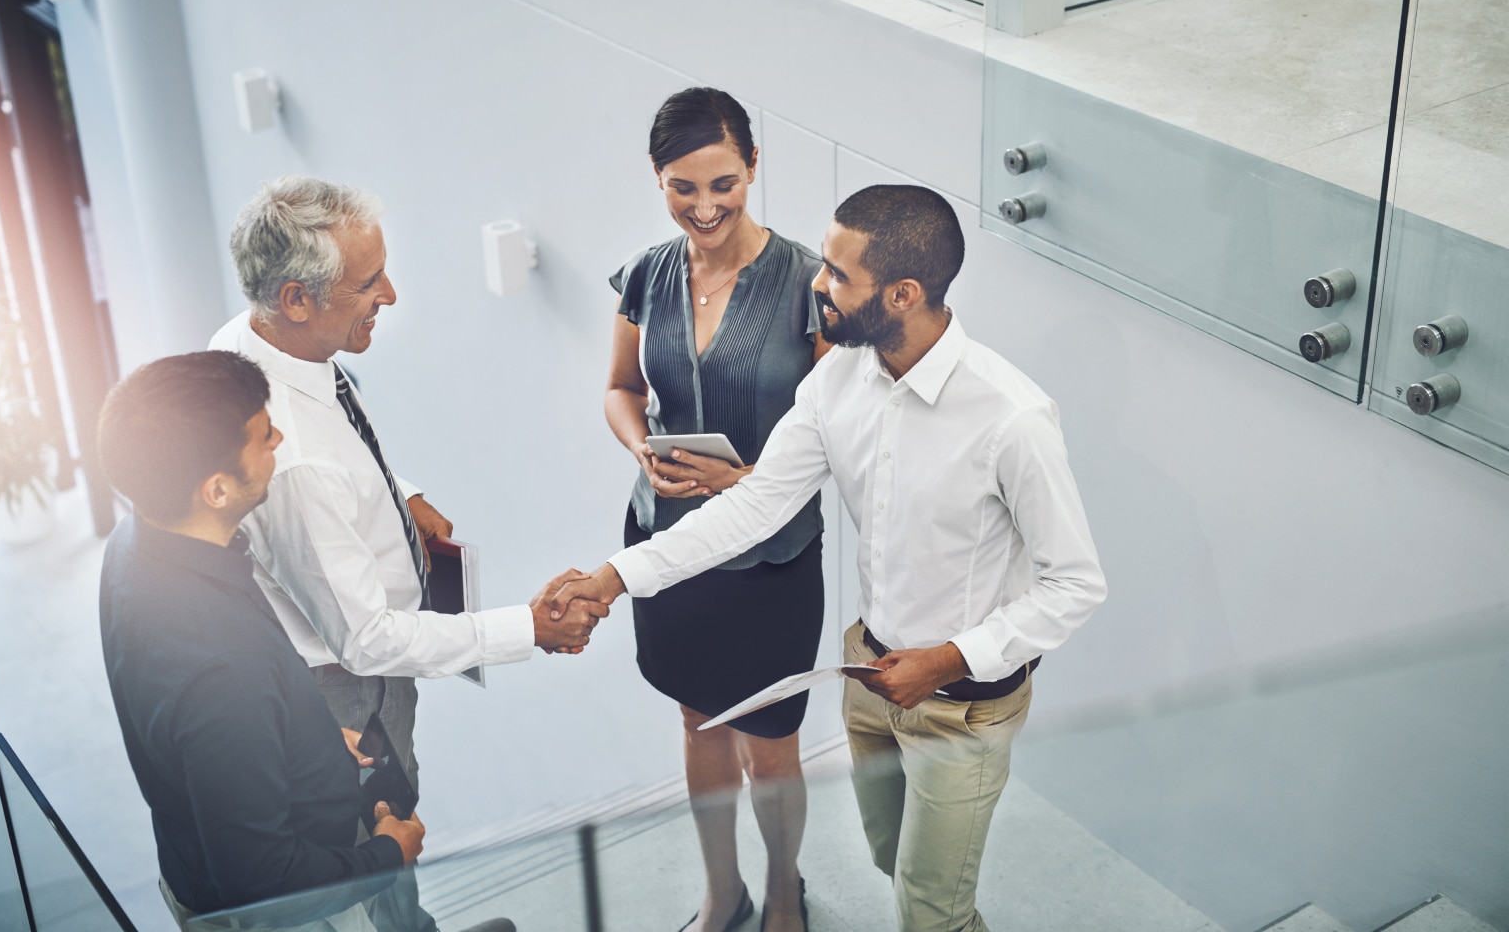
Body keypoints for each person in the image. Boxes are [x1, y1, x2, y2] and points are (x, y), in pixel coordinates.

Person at [553, 185, 1108, 932]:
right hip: (869, 673)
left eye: (840, 275)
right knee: (893, 864)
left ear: (903, 294)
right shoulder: (837, 380)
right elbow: (756, 506)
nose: (818, 283)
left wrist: (945, 660)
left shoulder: (1013, 419)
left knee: (929, 909)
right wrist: (616, 577)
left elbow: (1075, 584)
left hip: (962, 701)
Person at [210, 176, 606, 793]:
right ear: (295, 300)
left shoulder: (249, 342)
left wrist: (401, 494)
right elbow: (366, 642)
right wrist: (529, 629)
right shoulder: (296, 467)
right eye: (367, 284)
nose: (389, 295)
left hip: (340, 658)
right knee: (381, 861)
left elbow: (333, 445)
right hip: (348, 697)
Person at [95, 351, 425, 927]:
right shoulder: (222, 670)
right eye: (262, 434)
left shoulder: (133, 542)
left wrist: (309, 738)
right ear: (216, 490)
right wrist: (387, 855)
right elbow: (263, 881)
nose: (278, 438)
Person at [605, 87, 829, 932]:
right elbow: (622, 388)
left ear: (755, 169)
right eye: (682, 187)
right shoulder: (645, 275)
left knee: (769, 744)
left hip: (769, 556)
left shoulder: (811, 282)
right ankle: (721, 890)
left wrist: (753, 486)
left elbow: (837, 432)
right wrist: (639, 449)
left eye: (723, 185)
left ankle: (780, 892)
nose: (704, 208)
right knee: (699, 723)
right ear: (658, 179)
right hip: (668, 540)